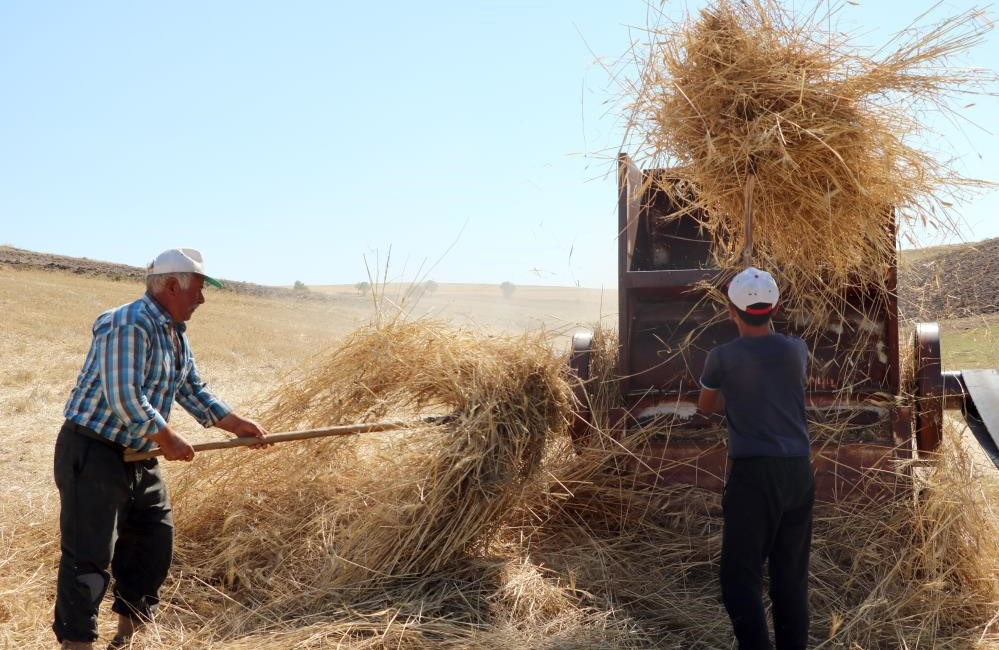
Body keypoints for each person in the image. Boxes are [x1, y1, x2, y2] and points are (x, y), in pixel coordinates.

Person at [54, 248, 270, 650]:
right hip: (95, 451)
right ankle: (77, 643)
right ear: (172, 285)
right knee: (89, 555)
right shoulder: (127, 323)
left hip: (140, 454)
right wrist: (168, 438)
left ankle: (127, 638)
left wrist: (235, 424)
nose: (201, 299)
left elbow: (192, 389)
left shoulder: (174, 333)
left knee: (152, 542)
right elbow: (124, 396)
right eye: (199, 290)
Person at [698, 266, 814, 650]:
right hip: (798, 473)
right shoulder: (797, 350)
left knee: (739, 580)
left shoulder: (721, 357)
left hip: (754, 477)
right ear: (775, 306)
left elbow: (707, 407)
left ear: (731, 311)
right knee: (789, 579)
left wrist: (736, 388)